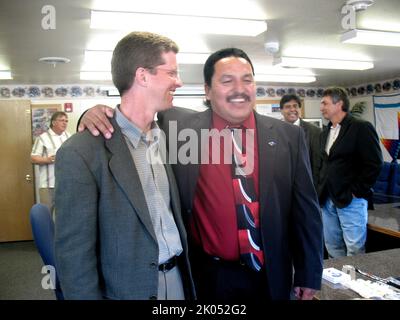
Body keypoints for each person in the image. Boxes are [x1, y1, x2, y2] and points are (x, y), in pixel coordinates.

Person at [79, 48, 324, 301]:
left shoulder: (288, 137)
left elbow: (306, 209)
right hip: (209, 278)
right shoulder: (179, 128)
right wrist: (94, 114)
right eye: (227, 81)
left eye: (247, 79)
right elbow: (132, 112)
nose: (239, 89)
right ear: (207, 90)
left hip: (271, 273)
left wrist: (309, 272)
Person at [54, 32, 195, 300]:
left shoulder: (169, 134)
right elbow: (74, 256)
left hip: (179, 281)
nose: (179, 82)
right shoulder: (80, 153)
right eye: (172, 73)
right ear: (142, 76)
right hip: (128, 290)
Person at [317, 87, 383, 258]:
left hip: (351, 199)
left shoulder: (361, 127)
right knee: (332, 245)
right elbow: (325, 164)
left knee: (354, 249)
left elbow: (374, 163)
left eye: (325, 103)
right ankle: (338, 283)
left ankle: (355, 283)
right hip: (327, 199)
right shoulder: (326, 131)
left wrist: (356, 191)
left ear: (339, 104)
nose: (321, 107)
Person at [31, 111, 71, 219]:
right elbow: (33, 158)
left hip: (66, 184)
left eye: (66, 121)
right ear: (53, 122)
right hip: (48, 185)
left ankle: (61, 236)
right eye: (62, 120)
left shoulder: (69, 137)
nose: (65, 123)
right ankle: (47, 236)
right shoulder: (43, 138)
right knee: (47, 215)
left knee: (65, 214)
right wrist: (47, 160)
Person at [280, 94, 321, 186]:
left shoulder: (314, 131)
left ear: (300, 109)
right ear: (281, 110)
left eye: (295, 106)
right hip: (283, 185)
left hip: (307, 184)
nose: (292, 110)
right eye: (287, 107)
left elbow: (317, 164)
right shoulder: (274, 131)